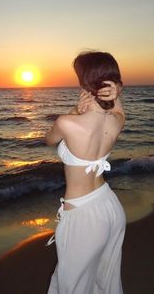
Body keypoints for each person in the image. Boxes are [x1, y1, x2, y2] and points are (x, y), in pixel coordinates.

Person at [45, 51, 126, 294]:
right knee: (105, 280)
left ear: (85, 82)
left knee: (73, 286)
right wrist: (117, 94)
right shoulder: (114, 122)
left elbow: (49, 140)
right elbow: (120, 113)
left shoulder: (67, 123)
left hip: (83, 216)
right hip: (110, 207)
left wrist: (74, 111)